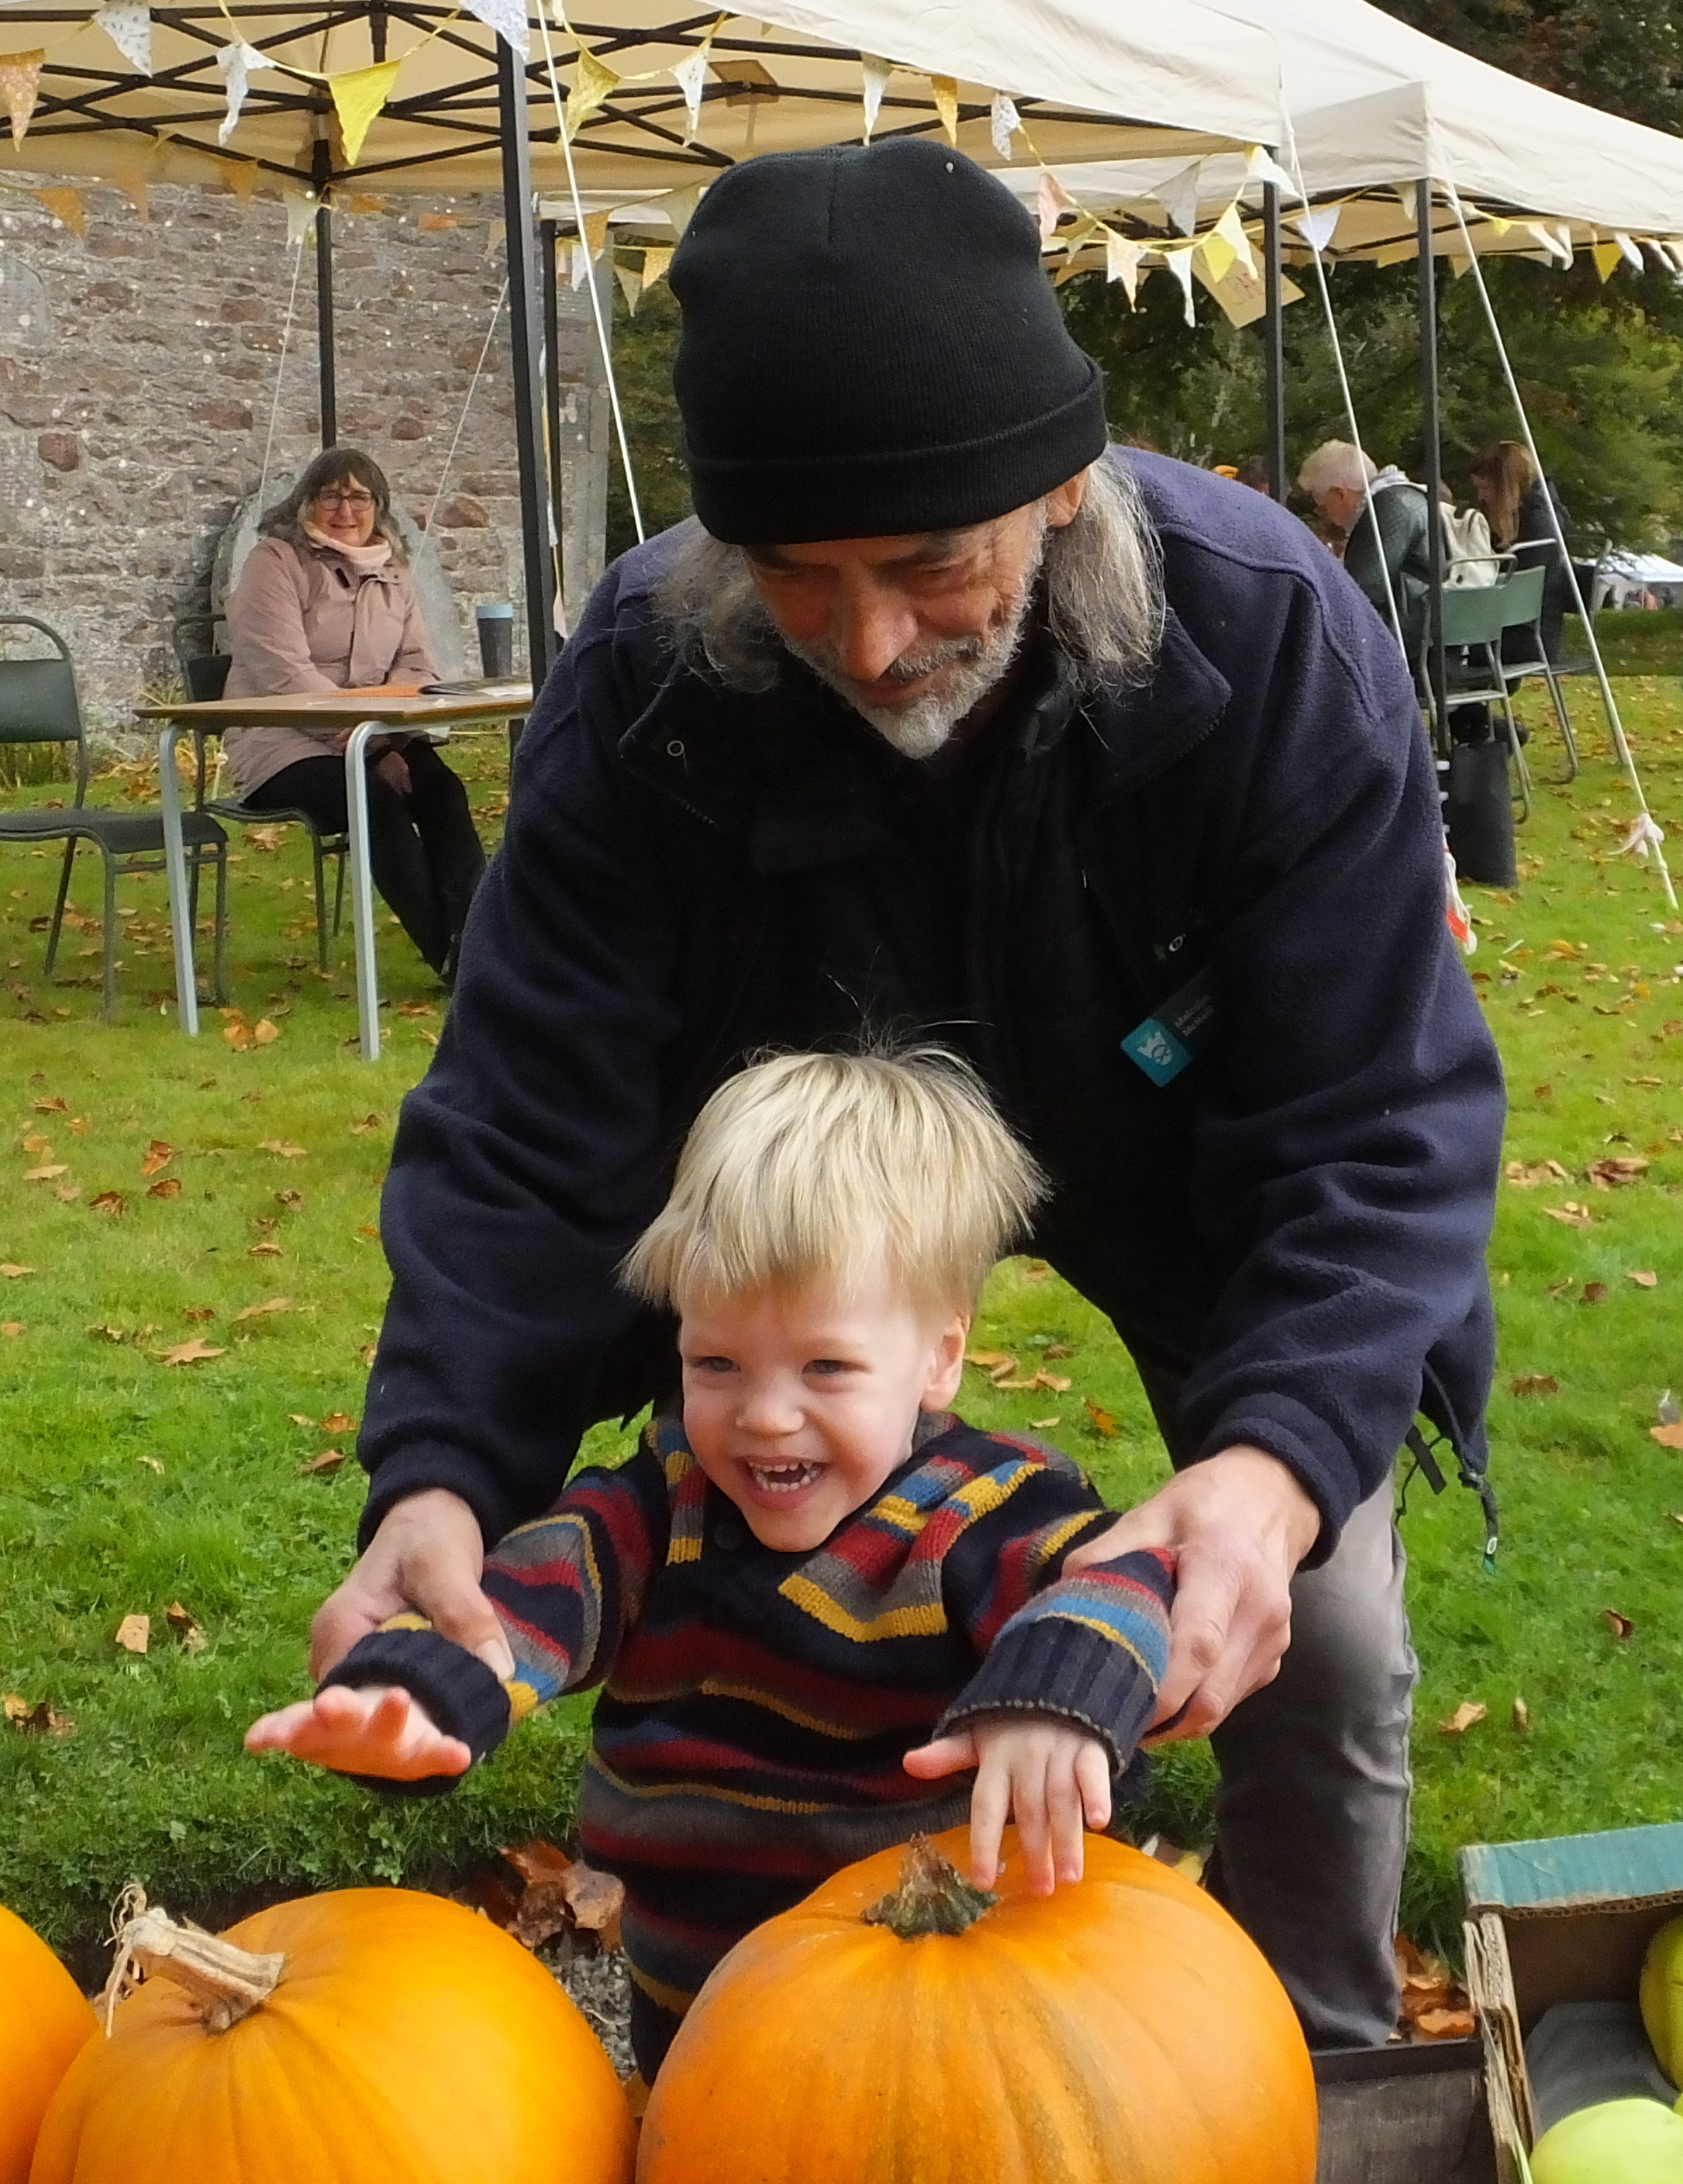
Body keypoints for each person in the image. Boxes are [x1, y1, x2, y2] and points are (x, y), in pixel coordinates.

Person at [312, 141, 1505, 2051]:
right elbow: (535, 1111)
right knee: (727, 1553)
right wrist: (443, 1473)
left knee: (1328, 1627)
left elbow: (1376, 1120)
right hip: (804, 1172)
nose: (869, 648)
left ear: (1059, 491)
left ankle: (1310, 2053)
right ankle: (787, 2025)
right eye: (796, 581)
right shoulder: (647, 671)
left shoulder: (1274, 640)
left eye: (931, 568)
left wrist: (1273, 1477)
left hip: (1185, 1142)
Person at [250, 1047, 1176, 2076]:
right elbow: (523, 1605)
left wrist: (1056, 1695)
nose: (764, 1414)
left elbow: (1117, 1578)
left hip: (936, 2028)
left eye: (825, 1365)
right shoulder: (660, 1500)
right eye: (716, 1363)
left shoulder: (981, 1509)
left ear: (938, 1357)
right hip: (696, 2018)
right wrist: (422, 1696)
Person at [222, 446, 486, 982]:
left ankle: (485, 948)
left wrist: (386, 742)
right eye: (331, 496)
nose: (345, 510)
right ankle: (457, 965)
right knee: (375, 801)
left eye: (359, 497)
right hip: (280, 742)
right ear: (305, 504)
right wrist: (368, 746)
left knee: (442, 791)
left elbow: (416, 666)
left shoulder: (394, 572)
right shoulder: (274, 562)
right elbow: (285, 675)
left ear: (378, 507)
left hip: (375, 738)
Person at [1297, 439, 1436, 675]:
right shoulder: (1405, 496)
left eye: (1323, 506)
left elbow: (1360, 592)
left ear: (1340, 494)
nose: (1326, 516)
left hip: (1408, 641)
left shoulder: (1383, 508)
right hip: (1428, 631)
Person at [1469, 437, 1571, 663]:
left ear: (1506, 485)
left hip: (1529, 635)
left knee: (1447, 644)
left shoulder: (1538, 524)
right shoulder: (1536, 515)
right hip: (1528, 629)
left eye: (1485, 488)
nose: (1481, 497)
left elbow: (1518, 588)